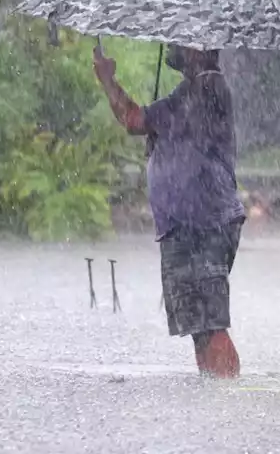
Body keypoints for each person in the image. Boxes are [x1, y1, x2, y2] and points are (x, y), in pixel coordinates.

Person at [93, 42, 245, 378]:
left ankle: (228, 398)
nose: (173, 46)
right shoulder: (191, 90)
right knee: (198, 326)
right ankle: (214, 394)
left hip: (204, 223)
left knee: (210, 322)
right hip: (182, 225)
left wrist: (108, 80)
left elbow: (134, 120)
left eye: (181, 42)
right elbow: (142, 122)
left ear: (199, 48)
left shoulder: (207, 87)